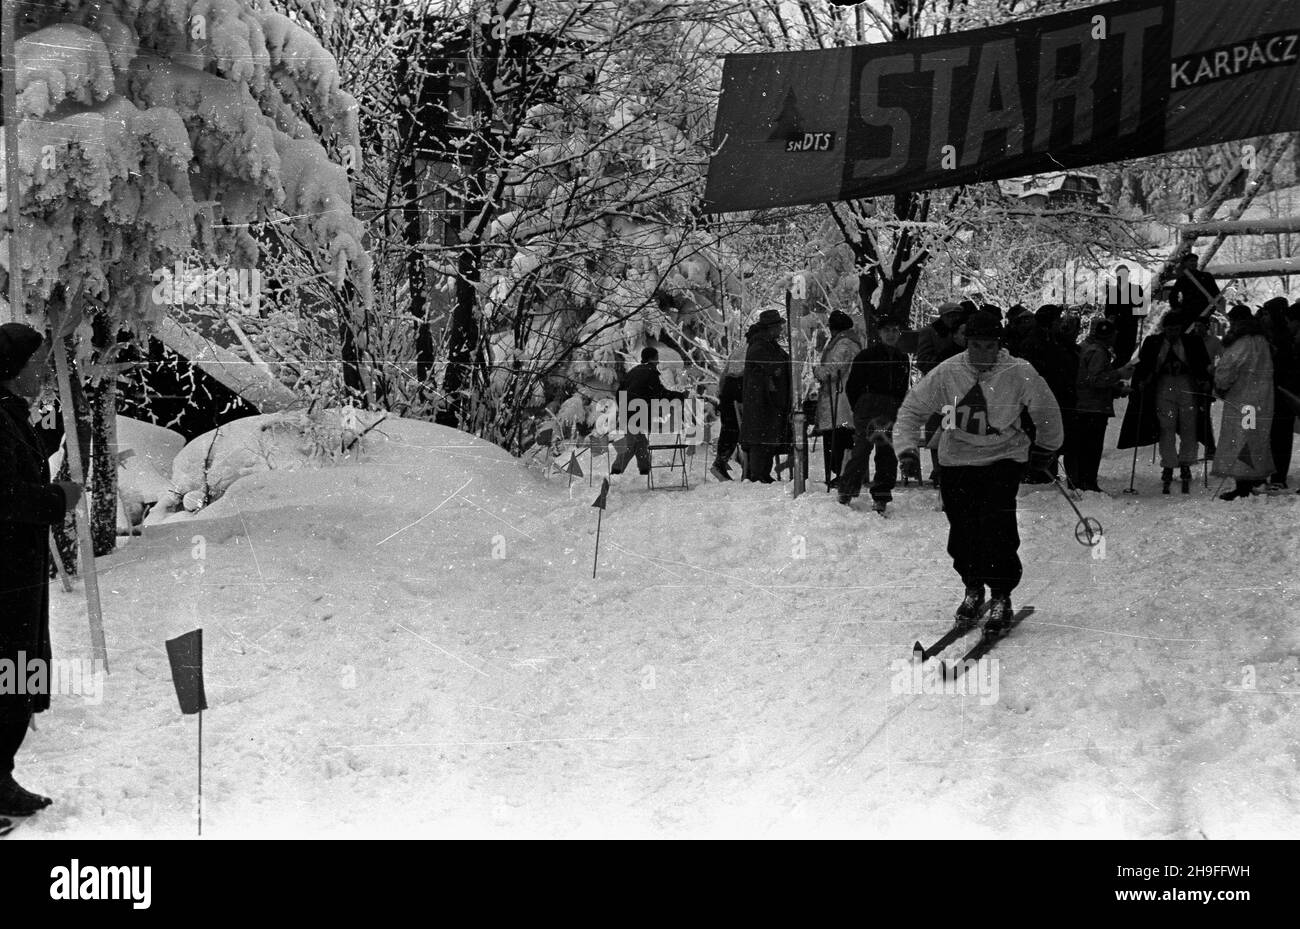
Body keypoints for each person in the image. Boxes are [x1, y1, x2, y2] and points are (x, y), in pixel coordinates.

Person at [894, 312, 1063, 633]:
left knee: (997, 525)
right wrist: (906, 450)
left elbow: (1047, 410)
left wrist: (1045, 448)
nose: (982, 353)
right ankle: (973, 588)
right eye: (975, 345)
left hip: (1003, 456)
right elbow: (912, 409)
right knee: (963, 529)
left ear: (999, 346)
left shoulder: (1019, 372)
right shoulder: (948, 372)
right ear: (965, 343)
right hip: (956, 458)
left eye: (988, 346)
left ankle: (1001, 594)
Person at [1, 323, 83, 822]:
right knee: (6, 673)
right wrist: (59, 499)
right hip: (5, 574)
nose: (42, 374)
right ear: (13, 369)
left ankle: (1, 777)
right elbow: (8, 496)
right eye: (37, 366)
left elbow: (25, 461)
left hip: (20, 571)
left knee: (17, 672)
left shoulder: (12, 415)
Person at [1121, 311, 1212, 494]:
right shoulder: (1153, 343)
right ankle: (1169, 464)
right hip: (1164, 386)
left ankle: (1186, 462)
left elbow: (1202, 364)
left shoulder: (1192, 342)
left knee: (1189, 425)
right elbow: (1145, 365)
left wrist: (1204, 382)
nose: (1173, 333)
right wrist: (1143, 381)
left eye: (1176, 329)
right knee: (1166, 426)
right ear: (1165, 328)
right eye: (1170, 329)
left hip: (1187, 385)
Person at [838, 317, 909, 513]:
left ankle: (881, 496)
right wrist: (861, 406)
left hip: (890, 407)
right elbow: (853, 386)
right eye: (887, 330)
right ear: (879, 333)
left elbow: (902, 387)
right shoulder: (866, 355)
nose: (891, 335)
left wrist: (897, 406)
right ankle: (847, 490)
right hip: (868, 406)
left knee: (886, 452)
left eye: (895, 330)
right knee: (862, 449)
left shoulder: (902, 358)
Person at [1213, 305, 1275, 500]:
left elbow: (1228, 367)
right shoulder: (1263, 340)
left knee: (1240, 438)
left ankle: (1243, 484)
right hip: (1262, 398)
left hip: (1242, 397)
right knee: (1255, 437)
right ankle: (1255, 476)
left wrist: (1220, 384)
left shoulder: (1242, 343)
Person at [1073, 318, 1134, 492]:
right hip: (1093, 407)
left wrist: (1116, 388)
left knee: (1087, 446)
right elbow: (1096, 380)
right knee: (1092, 447)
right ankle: (1088, 482)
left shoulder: (1088, 348)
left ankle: (1084, 480)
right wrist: (1119, 374)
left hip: (1087, 405)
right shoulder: (1098, 352)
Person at [608, 346, 688, 478]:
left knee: (640, 442)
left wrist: (623, 407)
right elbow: (659, 393)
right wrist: (678, 396)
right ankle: (616, 473)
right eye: (657, 358)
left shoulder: (634, 371)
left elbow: (619, 391)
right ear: (653, 358)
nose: (658, 361)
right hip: (636, 412)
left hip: (628, 411)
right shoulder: (650, 372)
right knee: (631, 444)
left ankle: (645, 470)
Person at [812, 310, 864, 488]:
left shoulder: (844, 344)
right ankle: (841, 472)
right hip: (841, 396)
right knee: (839, 437)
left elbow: (833, 370)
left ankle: (842, 473)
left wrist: (818, 371)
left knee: (839, 437)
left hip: (840, 398)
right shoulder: (848, 342)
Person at [740, 309, 791, 482]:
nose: (781, 330)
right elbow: (773, 366)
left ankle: (762, 473)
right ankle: (758, 474)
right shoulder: (759, 346)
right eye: (778, 327)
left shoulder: (767, 344)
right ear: (771, 328)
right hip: (761, 402)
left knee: (766, 439)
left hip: (767, 401)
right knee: (760, 440)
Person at [1259, 297, 1297, 488]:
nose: (1264, 318)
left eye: (1267, 313)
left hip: (1282, 392)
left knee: (1281, 436)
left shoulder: (1284, 338)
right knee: (1272, 435)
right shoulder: (1269, 335)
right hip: (1271, 392)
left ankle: (1278, 477)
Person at [711, 337, 746, 481]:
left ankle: (721, 462)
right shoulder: (752, 352)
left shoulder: (739, 351)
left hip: (727, 396)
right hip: (737, 398)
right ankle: (721, 464)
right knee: (734, 431)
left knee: (729, 431)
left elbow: (724, 376)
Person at [1103, 265, 1145, 367]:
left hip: (1130, 326)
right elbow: (1108, 311)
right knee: (1117, 353)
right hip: (1117, 328)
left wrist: (1134, 314)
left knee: (1127, 352)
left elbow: (1143, 308)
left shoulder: (1135, 289)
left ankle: (1122, 374)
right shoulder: (1112, 291)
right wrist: (1112, 319)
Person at [1168, 253, 1223, 324]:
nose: (1193, 263)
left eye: (1195, 261)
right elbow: (1172, 295)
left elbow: (1216, 295)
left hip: (1204, 311)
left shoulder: (1206, 277)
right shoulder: (1182, 279)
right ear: (1185, 263)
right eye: (1191, 261)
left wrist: (1210, 310)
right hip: (1188, 314)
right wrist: (1177, 308)